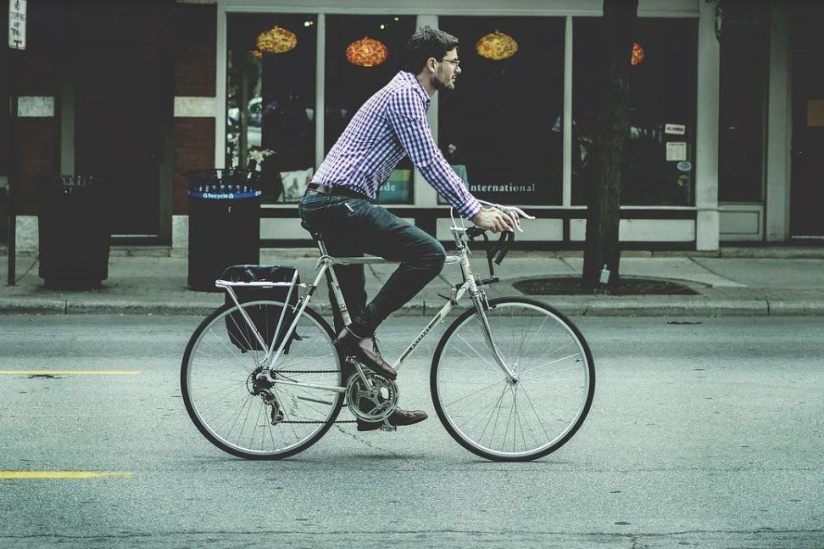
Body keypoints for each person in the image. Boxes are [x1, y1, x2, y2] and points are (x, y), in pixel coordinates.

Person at [298, 26, 520, 431]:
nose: (459, 69)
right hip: (337, 203)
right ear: (432, 64)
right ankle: (358, 337)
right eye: (454, 61)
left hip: (336, 202)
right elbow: (430, 162)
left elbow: (432, 163)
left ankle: (369, 404)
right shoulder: (405, 96)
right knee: (428, 254)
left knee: (354, 303)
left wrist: (488, 208)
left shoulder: (409, 95)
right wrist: (474, 212)